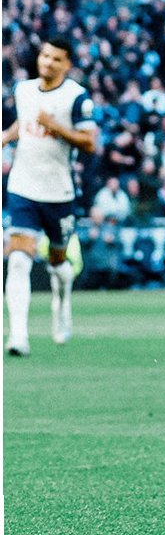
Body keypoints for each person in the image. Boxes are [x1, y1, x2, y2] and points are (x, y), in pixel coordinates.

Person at [3, 37, 97, 354]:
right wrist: (6, 136)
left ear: (67, 65)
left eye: (56, 59)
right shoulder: (24, 90)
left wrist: (55, 126)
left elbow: (90, 142)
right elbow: (24, 121)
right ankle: (18, 336)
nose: (48, 62)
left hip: (59, 193)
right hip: (23, 187)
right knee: (18, 260)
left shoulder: (77, 98)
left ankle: (62, 302)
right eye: (45, 56)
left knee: (58, 263)